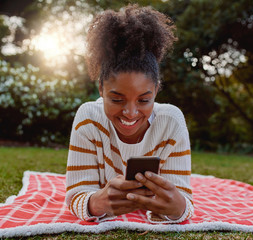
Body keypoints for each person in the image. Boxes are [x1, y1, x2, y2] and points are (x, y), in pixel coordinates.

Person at [65, 4, 193, 223]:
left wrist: (178, 208)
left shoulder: (171, 122)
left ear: (156, 90)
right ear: (101, 89)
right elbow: (76, 194)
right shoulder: (89, 118)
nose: (131, 113)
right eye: (116, 99)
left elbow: (183, 201)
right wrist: (96, 203)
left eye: (144, 100)